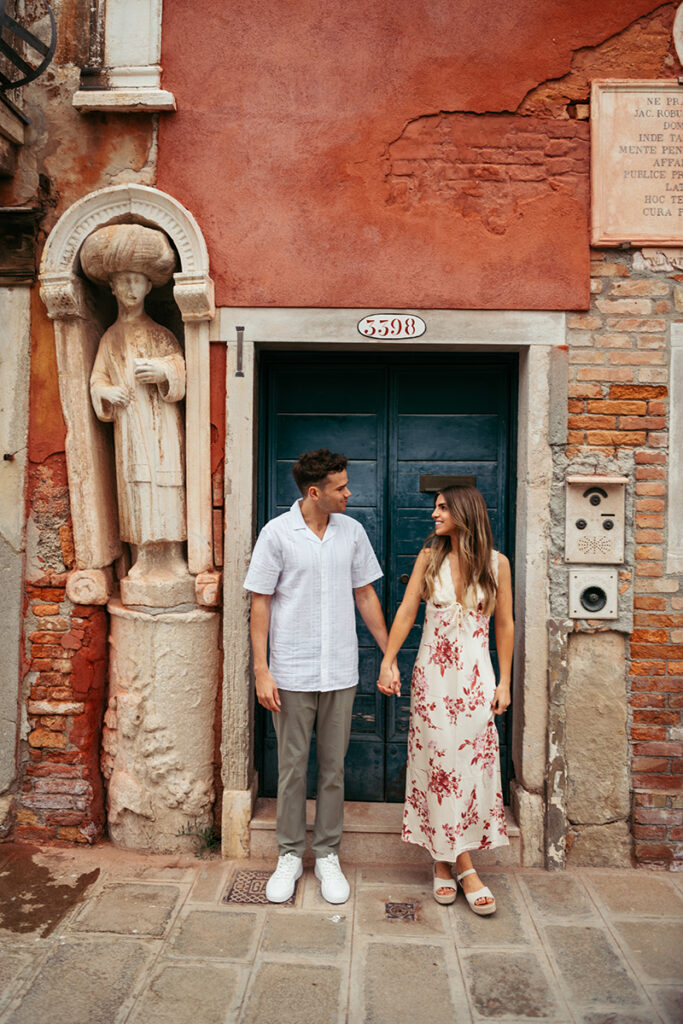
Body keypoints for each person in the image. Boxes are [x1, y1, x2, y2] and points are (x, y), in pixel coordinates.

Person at [244, 449, 398, 904]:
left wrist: (389, 654)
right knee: (291, 770)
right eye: (341, 487)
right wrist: (261, 670)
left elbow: (366, 595)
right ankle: (290, 854)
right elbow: (260, 603)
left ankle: (327, 853)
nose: (350, 493)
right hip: (290, 671)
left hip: (340, 672)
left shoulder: (352, 533)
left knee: (333, 769)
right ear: (315, 492)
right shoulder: (276, 535)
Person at [377, 485, 513, 914]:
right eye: (435, 507)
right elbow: (405, 612)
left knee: (470, 769)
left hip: (475, 681)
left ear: (463, 512)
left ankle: (443, 860)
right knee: (438, 767)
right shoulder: (429, 557)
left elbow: (506, 626)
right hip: (433, 679)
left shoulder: (497, 564)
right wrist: (388, 660)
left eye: (441, 508)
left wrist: (505, 681)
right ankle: (461, 866)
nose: (434, 514)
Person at [81, 223, 187, 583]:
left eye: (137, 281)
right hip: (129, 425)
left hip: (162, 425)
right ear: (112, 287)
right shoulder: (110, 338)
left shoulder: (162, 334)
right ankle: (143, 556)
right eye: (123, 280)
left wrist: (162, 371)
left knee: (168, 485)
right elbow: (97, 380)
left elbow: (180, 370)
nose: (130, 288)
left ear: (149, 286)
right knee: (136, 486)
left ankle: (172, 556)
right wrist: (107, 393)